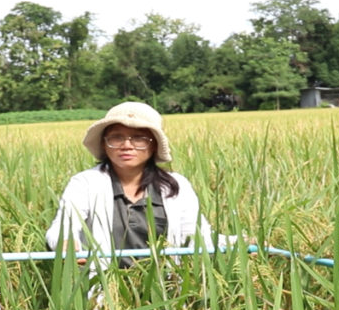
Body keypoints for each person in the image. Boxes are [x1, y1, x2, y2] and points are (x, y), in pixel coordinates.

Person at [46, 101, 214, 270]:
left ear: (154, 145)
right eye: (116, 138)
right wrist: (66, 243)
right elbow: (62, 227)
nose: (127, 146)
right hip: (103, 289)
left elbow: (197, 235)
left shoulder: (175, 186)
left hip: (164, 288)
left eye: (139, 138)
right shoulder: (86, 183)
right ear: (104, 144)